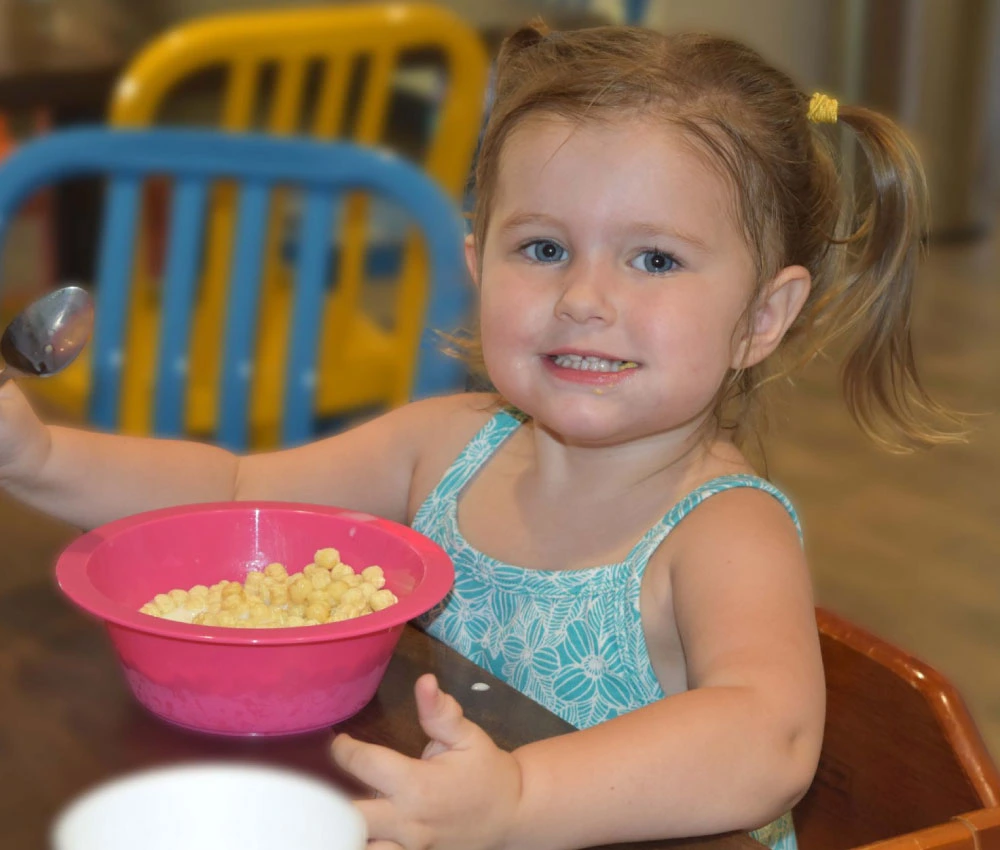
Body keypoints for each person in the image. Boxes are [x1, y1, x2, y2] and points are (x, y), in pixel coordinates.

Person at [0, 21, 960, 850]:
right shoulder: (444, 446)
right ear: (477, 262)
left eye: (656, 258)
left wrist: (518, 800)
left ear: (762, 316)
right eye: (542, 249)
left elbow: (766, 744)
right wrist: (36, 456)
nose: (584, 298)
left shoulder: (721, 530)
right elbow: (241, 493)